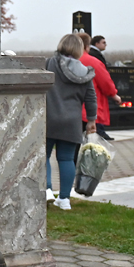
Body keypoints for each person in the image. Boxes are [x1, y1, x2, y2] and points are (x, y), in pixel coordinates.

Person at [44, 34, 98, 211]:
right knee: (66, 159)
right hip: (72, 123)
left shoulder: (49, 64)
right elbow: (91, 99)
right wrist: (91, 120)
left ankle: (47, 189)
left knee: (42, 156)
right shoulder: (85, 71)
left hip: (48, 118)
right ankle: (64, 199)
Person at [78, 33, 120, 142]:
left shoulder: (62, 61)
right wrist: (114, 94)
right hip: (88, 107)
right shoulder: (93, 61)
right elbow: (105, 81)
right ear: (87, 46)